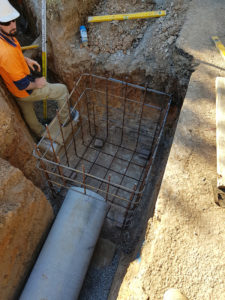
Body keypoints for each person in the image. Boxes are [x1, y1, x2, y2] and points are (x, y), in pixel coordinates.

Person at [0, 0, 79, 139]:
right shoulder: (6, 53)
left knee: (28, 111)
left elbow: (12, 55)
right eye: (7, 23)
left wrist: (26, 60)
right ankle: (66, 120)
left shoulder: (5, 36)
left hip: (14, 90)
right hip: (23, 88)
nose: (13, 25)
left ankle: (40, 133)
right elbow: (22, 84)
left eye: (13, 20)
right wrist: (37, 83)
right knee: (61, 90)